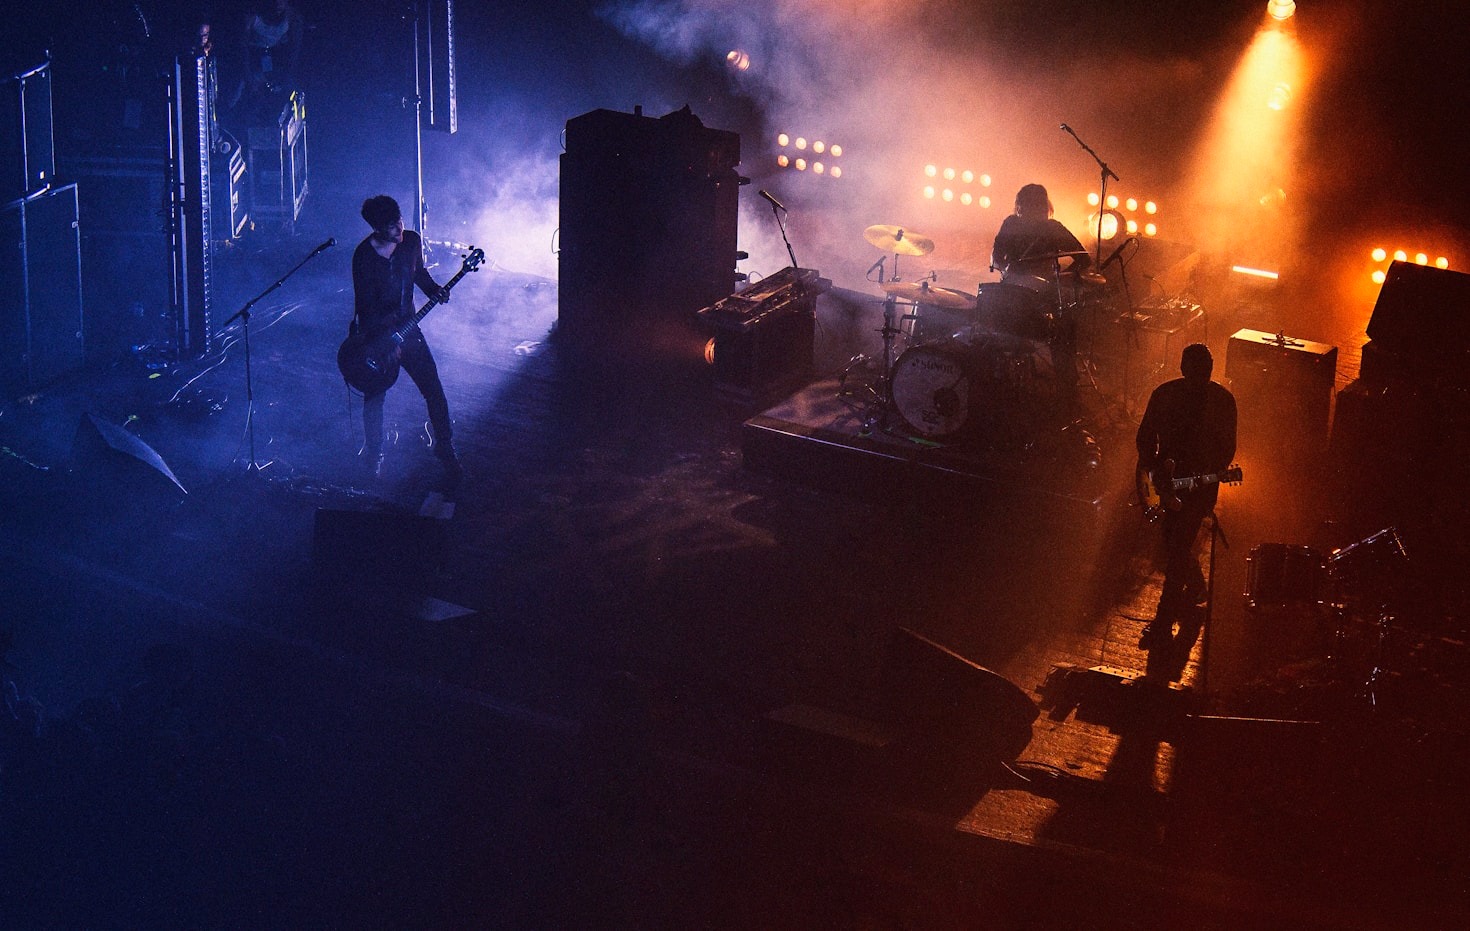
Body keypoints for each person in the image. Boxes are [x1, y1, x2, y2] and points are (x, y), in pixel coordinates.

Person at [351, 195, 461, 486]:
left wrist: (434, 290)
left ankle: (445, 446)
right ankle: (374, 455)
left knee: (433, 389)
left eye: (399, 221)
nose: (400, 229)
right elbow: (365, 306)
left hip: (410, 330)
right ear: (377, 229)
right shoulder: (363, 256)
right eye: (392, 227)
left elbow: (419, 274)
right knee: (375, 397)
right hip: (377, 338)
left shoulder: (411, 242)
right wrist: (386, 342)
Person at [1134, 343, 1237, 643]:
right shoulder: (1165, 395)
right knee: (1172, 544)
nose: (1197, 381)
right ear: (1184, 370)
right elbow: (1144, 437)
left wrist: (1202, 475)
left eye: (1201, 375)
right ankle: (1196, 587)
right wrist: (1152, 471)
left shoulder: (1220, 403)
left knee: (1177, 550)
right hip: (1167, 485)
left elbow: (1226, 452)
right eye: (1194, 374)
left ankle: (1163, 623)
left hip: (1197, 491)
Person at [990, 184, 1094, 403]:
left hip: (1030, 296)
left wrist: (1057, 279)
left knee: (1062, 328)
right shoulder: (1020, 225)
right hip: (1023, 295)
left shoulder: (1045, 227)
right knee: (1063, 329)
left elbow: (1084, 259)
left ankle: (1065, 388)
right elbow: (996, 257)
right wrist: (1005, 268)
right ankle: (1066, 388)